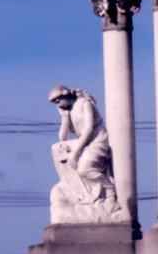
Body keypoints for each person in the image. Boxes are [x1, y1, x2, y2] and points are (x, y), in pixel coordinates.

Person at [48, 85, 118, 217]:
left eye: (58, 99)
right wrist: (65, 117)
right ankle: (77, 189)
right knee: (57, 148)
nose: (57, 103)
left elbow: (88, 129)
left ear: (66, 95)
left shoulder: (85, 103)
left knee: (84, 169)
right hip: (84, 142)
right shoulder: (70, 110)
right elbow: (62, 138)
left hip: (96, 141)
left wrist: (75, 153)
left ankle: (109, 192)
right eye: (54, 102)